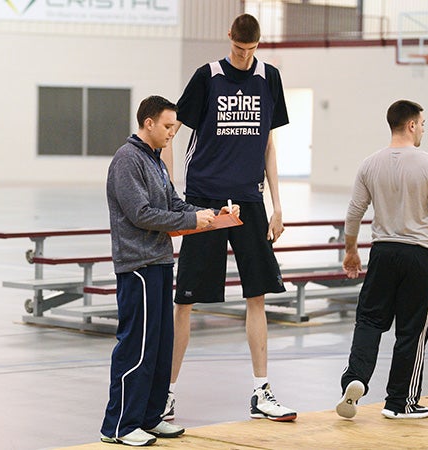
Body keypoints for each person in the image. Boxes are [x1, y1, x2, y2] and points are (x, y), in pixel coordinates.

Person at [163, 13, 297, 422]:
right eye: (239, 49)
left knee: (256, 295)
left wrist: (278, 204)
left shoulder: (269, 77)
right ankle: (164, 394)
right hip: (204, 199)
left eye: (252, 50)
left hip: (250, 202)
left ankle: (261, 392)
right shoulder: (207, 76)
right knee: (184, 301)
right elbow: (172, 133)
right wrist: (171, 196)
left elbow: (269, 144)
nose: (244, 56)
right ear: (229, 40)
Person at [100, 95, 239, 446]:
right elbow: (141, 214)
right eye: (167, 127)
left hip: (161, 262)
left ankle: (149, 418)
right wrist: (192, 219)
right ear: (148, 123)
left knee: (161, 347)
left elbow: (173, 204)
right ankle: (119, 426)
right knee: (137, 347)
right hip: (138, 267)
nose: (171, 134)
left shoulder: (155, 161)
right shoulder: (127, 160)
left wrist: (211, 214)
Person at [335, 100, 428, 420]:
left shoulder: (369, 164)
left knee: (369, 320)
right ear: (410, 125)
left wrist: (351, 250)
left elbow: (354, 212)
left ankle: (355, 377)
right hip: (418, 256)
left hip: (382, 253)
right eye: (422, 123)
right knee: (412, 331)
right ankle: (400, 403)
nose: (423, 128)